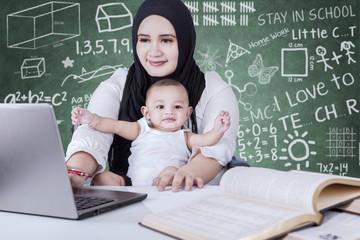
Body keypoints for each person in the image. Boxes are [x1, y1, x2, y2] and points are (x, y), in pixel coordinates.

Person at [65, 0, 239, 192]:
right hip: (131, 196)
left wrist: (183, 175)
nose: (154, 52)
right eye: (144, 40)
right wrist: (74, 173)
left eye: (166, 40)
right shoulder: (118, 84)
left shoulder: (214, 89)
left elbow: (216, 149)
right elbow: (93, 134)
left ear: (185, 40)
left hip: (193, 198)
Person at [71, 79, 231, 186]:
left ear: (188, 113)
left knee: (171, 170)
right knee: (103, 178)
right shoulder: (140, 129)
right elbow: (115, 126)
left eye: (177, 107)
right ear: (146, 113)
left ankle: (164, 184)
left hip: (167, 184)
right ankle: (112, 206)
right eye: (160, 107)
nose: (169, 112)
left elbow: (206, 140)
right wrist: (92, 119)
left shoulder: (185, 136)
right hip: (132, 184)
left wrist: (218, 130)